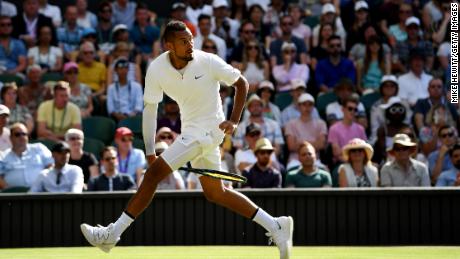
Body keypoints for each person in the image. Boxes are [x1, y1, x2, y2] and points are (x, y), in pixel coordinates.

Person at [80, 21, 293, 259]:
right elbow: (150, 109)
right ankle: (275, 225)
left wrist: (234, 120)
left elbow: (241, 83)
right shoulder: (156, 68)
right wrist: (150, 150)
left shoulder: (208, 60)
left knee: (152, 176)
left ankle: (112, 234)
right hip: (192, 131)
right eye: (184, 41)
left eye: (191, 39)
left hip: (209, 131)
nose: (190, 44)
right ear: (169, 45)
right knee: (216, 193)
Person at [0, 123, 53, 190]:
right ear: (11, 137)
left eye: (24, 134)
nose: (21, 137)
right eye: (17, 134)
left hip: (40, 194)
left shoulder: (39, 148)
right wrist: (9, 191)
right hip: (13, 196)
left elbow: (51, 167)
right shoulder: (2, 155)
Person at [284, 93, 327, 168]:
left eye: (310, 104)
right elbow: (291, 146)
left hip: (315, 160)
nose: (307, 107)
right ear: (299, 107)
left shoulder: (321, 123)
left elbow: (321, 145)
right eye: (304, 104)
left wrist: (300, 143)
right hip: (295, 161)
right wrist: (313, 143)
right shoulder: (290, 124)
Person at [328, 95, 367, 163]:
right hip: (341, 163)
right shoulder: (333, 129)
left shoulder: (361, 129)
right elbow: (336, 153)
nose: (352, 111)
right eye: (350, 108)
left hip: (359, 162)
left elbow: (365, 150)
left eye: (355, 110)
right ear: (343, 109)